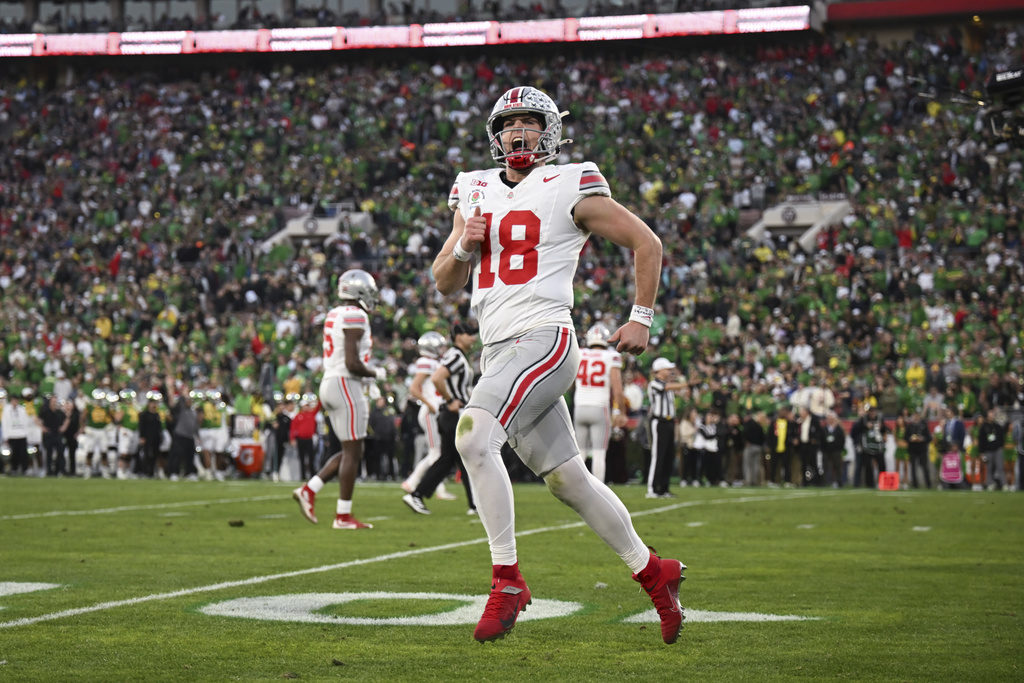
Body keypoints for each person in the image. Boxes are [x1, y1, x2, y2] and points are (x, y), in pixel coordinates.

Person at [433, 86, 684, 645]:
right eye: (509, 124)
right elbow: (445, 280)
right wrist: (463, 248)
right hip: (498, 348)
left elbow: (647, 242)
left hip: (544, 337)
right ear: (495, 135)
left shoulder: (571, 181)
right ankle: (653, 572)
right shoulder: (472, 189)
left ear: (550, 131)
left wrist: (640, 316)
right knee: (570, 480)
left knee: (473, 438)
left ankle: (507, 580)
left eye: (529, 122)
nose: (518, 133)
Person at [292, 269, 385, 531]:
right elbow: (353, 363)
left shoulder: (334, 313)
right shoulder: (356, 314)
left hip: (331, 383)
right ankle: (342, 515)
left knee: (350, 451)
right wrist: (375, 373)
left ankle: (310, 489)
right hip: (346, 384)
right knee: (354, 452)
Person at [404, 320, 479, 515]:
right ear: (459, 336)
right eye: (469, 334)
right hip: (452, 414)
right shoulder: (455, 356)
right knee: (461, 458)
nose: (473, 337)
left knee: (448, 460)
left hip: (451, 414)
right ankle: (474, 504)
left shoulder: (458, 356)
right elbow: (437, 377)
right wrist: (451, 399)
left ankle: (417, 495)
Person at [400, 331, 457, 501]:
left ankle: (411, 482)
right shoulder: (425, 362)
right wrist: (429, 403)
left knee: (436, 451)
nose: (441, 349)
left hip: (434, 410)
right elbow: (414, 388)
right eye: (439, 346)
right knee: (435, 452)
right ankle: (439, 489)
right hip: (429, 411)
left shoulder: (432, 362)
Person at [572, 322, 626, 485]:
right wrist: (621, 411)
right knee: (599, 453)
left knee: (580, 452)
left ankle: (576, 489)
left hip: (580, 406)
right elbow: (618, 390)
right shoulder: (611, 356)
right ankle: (599, 492)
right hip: (599, 407)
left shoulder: (580, 353)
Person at [1, 392, 32, 475]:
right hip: (12, 435)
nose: (15, 402)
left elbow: (25, 422)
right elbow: (5, 424)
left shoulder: (22, 410)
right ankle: (14, 468)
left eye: (16, 400)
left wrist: (26, 434)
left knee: (23, 453)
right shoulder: (7, 410)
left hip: (22, 434)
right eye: (14, 400)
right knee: (14, 454)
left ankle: (24, 469)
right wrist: (6, 436)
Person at [904, 408, 931, 489]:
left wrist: (923, 439)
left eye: (917, 415)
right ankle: (915, 484)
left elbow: (929, 438)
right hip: (913, 449)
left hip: (922, 449)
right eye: (914, 416)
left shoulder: (924, 425)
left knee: (925, 467)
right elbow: (906, 437)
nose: (916, 417)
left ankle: (928, 484)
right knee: (913, 468)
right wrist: (910, 439)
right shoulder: (909, 426)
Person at [820, 411, 847, 487]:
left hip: (836, 451)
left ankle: (839, 482)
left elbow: (842, 440)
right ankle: (824, 482)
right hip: (826, 451)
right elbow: (821, 439)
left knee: (837, 467)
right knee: (825, 466)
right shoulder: (824, 429)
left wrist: (839, 448)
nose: (828, 420)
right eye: (827, 418)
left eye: (830, 418)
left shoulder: (838, 429)